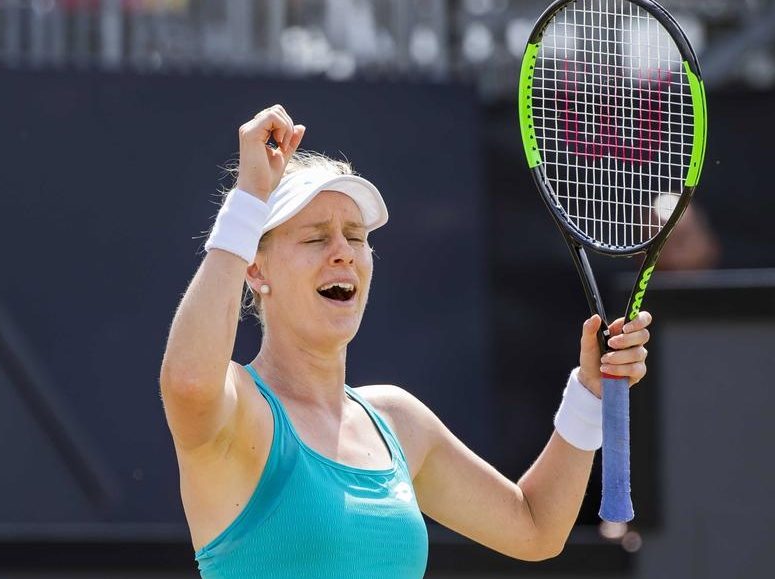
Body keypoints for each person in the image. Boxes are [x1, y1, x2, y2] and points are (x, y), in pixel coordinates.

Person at [159, 104, 652, 578]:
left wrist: (590, 391)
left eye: (356, 237)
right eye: (315, 238)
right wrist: (248, 198)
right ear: (255, 269)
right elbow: (188, 381)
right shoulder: (239, 409)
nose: (343, 253)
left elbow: (536, 528)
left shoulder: (399, 421)